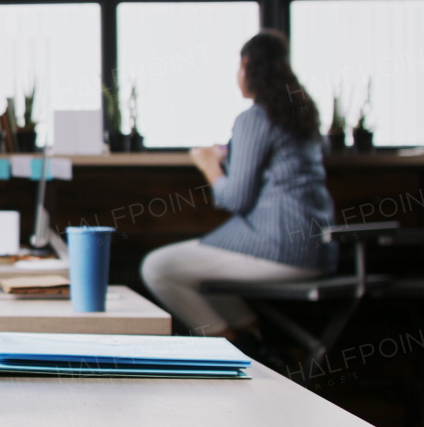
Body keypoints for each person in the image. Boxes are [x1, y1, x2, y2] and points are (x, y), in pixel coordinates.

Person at [141, 29, 337, 344]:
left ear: (247, 65)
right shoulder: (303, 113)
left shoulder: (254, 118)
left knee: (158, 268)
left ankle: (232, 348)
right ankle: (253, 340)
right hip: (319, 250)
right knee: (198, 274)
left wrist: (207, 163)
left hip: (279, 248)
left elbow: (236, 199)